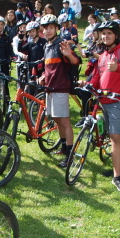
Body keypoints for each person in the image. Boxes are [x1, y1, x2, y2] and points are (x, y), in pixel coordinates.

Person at [87, 21, 120, 191]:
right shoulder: (103, 55)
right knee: (114, 137)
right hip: (105, 100)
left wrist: (119, 68)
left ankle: (117, 177)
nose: (105, 36)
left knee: (116, 136)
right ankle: (119, 170)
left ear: (116, 35)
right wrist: (87, 84)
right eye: (103, 33)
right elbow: (97, 76)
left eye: (109, 33)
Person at [37, 14, 81, 168]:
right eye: (45, 28)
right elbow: (48, 67)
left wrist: (69, 55)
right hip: (50, 88)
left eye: (51, 27)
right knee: (56, 119)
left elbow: (76, 61)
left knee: (64, 121)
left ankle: (70, 155)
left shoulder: (61, 44)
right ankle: (63, 147)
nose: (48, 30)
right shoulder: (47, 45)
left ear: (56, 28)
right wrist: (43, 76)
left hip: (60, 88)